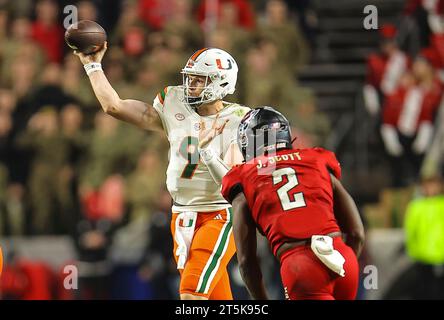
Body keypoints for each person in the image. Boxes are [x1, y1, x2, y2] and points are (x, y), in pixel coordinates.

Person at [73, 44, 250, 300]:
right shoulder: (173, 101)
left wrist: (208, 150)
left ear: (221, 82)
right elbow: (113, 106)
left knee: (191, 295)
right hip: (181, 215)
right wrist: (92, 65)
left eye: (199, 80)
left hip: (219, 215)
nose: (191, 85)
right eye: (190, 78)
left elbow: (233, 183)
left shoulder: (239, 119)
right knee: (216, 299)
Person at [221, 107, 365, 300]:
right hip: (342, 257)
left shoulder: (244, 176)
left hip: (300, 265)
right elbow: (357, 233)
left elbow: (247, 262)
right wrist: (343, 266)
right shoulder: (316, 159)